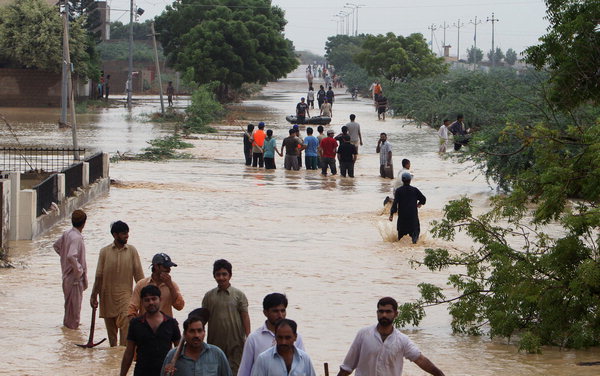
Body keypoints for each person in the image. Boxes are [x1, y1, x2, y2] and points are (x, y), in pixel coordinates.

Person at [337, 297, 445, 376]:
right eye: (381, 311)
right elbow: (347, 367)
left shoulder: (402, 340)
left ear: (396, 314)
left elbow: (420, 360)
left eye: (388, 311)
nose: (384, 315)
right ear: (377, 313)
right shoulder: (363, 334)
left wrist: (439, 374)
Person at [90, 220, 144, 347]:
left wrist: (145, 297)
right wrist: (93, 295)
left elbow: (139, 277)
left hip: (126, 298)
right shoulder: (104, 252)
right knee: (112, 338)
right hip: (107, 297)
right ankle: (113, 360)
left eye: (127, 233)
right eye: (124, 233)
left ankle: (122, 356)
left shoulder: (132, 251)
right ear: (115, 235)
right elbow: (98, 276)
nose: (127, 236)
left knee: (126, 330)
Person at [202, 259, 251, 375]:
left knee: (235, 371)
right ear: (214, 276)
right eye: (218, 274)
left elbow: (245, 317)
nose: (221, 277)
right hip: (214, 343)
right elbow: (203, 319)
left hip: (236, 343)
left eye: (224, 274)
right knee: (215, 371)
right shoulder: (209, 296)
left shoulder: (239, 295)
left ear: (230, 275)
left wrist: (249, 337)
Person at [238, 293, 306, 376]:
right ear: (265, 313)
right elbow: (245, 369)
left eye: (282, 310)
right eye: (275, 311)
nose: (280, 315)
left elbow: (302, 365)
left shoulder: (295, 337)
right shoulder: (254, 339)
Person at [121, 285, 181, 376]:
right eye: (147, 300)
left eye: (154, 299)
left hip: (165, 373)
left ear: (160, 299)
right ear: (142, 302)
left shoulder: (171, 323)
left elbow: (179, 350)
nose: (151, 302)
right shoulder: (136, 324)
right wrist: (122, 374)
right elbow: (129, 352)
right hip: (141, 372)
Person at [161, 316, 232, 376]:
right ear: (185, 334)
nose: (196, 335)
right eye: (192, 331)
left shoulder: (217, 354)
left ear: (204, 333)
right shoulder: (172, 356)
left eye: (199, 331)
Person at [53, 209, 88, 329]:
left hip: (66, 276)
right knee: (75, 310)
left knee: (69, 308)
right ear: (84, 223)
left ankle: (68, 336)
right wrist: (79, 270)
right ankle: (73, 333)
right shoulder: (76, 238)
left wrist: (65, 261)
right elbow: (71, 255)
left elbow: (57, 247)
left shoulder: (67, 234)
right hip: (74, 279)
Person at [128, 253, 185, 318]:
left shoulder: (173, 285)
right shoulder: (141, 284)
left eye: (169, 267)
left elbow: (180, 306)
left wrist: (170, 286)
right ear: (156, 266)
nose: (169, 270)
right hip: (145, 325)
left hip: (165, 325)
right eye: (165, 267)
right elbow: (132, 308)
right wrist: (136, 324)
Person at [251, 319, 316, 376]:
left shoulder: (305, 359)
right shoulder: (263, 359)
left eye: (287, 338)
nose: (283, 342)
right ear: (275, 337)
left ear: (295, 337)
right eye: (280, 337)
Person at [389, 172, 426, 244]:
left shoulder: (398, 191)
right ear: (410, 180)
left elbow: (395, 204)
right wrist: (419, 203)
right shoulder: (415, 190)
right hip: (413, 220)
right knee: (414, 241)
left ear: (402, 180)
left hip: (402, 220)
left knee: (400, 241)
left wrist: (391, 215)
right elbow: (423, 199)